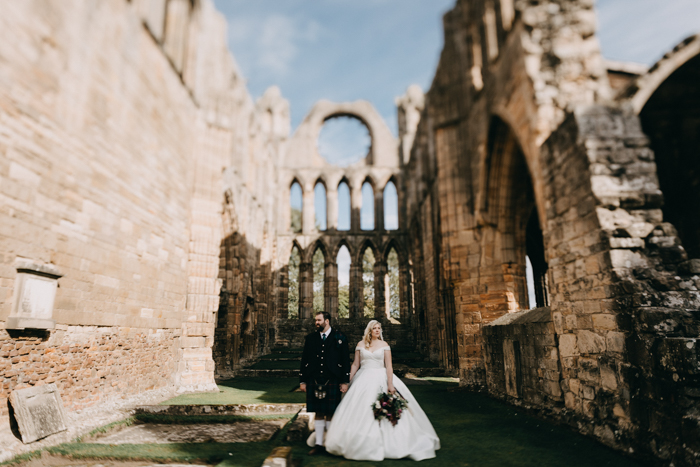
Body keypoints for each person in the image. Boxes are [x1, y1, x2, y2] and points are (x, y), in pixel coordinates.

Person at [323, 320, 440, 461]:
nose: (377, 330)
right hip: (363, 377)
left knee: (387, 406)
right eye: (375, 328)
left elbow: (389, 367)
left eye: (379, 328)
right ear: (369, 331)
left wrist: (390, 384)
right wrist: (348, 381)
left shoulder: (384, 345)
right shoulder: (360, 345)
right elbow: (355, 364)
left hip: (381, 376)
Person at [299, 311, 351, 455]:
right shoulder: (310, 338)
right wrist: (302, 380)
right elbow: (305, 360)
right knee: (319, 412)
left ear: (326, 321)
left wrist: (345, 381)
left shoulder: (340, 337)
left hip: (333, 379)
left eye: (318, 320)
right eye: (315, 320)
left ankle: (329, 443)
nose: (316, 322)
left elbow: (345, 361)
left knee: (330, 412)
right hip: (314, 379)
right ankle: (318, 444)